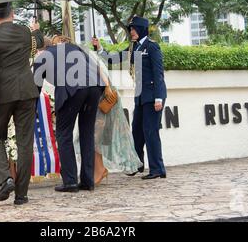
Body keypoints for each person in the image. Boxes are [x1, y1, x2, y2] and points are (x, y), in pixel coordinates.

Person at [0, 0, 44, 205]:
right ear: (13, 13)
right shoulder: (26, 33)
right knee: (25, 142)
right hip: (27, 91)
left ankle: (6, 178)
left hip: (2, 94)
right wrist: (37, 30)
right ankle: (21, 195)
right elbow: (40, 42)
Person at [92, 16, 168, 180]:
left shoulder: (152, 47)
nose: (131, 32)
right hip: (140, 96)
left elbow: (158, 74)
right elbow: (114, 58)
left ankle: (157, 169)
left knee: (150, 132)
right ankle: (137, 164)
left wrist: (159, 98)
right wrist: (99, 49)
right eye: (130, 29)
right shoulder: (134, 48)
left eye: (133, 29)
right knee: (137, 132)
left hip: (153, 96)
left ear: (141, 29)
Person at [33, 36, 104, 192]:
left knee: (63, 134)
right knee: (87, 133)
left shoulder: (42, 57)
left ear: (39, 49)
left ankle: (70, 181)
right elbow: (93, 66)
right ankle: (87, 181)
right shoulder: (73, 47)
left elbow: (35, 89)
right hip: (95, 87)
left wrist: (31, 110)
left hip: (73, 90)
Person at [75, 44, 144, 185]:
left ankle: (100, 170)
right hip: (101, 98)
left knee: (94, 137)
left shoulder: (85, 55)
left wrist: (106, 87)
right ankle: (99, 170)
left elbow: (101, 71)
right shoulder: (84, 54)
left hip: (105, 99)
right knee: (93, 137)